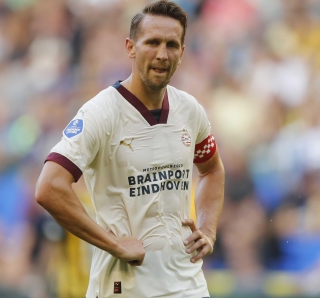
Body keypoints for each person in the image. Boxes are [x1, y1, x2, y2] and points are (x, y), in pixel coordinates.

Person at [35, 1, 225, 297]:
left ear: (182, 52)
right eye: (152, 42)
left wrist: (208, 230)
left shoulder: (189, 109)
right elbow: (49, 187)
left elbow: (212, 169)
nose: (162, 54)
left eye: (172, 45)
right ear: (130, 47)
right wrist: (114, 244)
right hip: (124, 287)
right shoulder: (101, 113)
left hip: (187, 283)